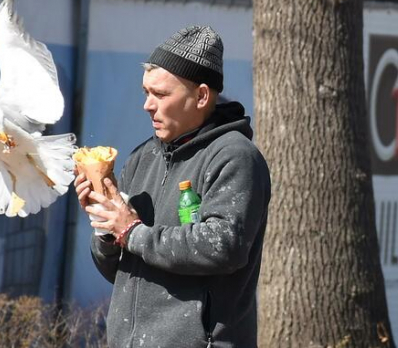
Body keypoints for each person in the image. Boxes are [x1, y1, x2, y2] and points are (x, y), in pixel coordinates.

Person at [75, 25, 271, 348]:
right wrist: (106, 226)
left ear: (202, 96)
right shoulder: (140, 160)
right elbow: (122, 272)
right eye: (146, 92)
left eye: (161, 94)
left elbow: (223, 246)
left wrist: (133, 232)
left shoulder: (236, 157)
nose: (147, 105)